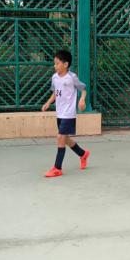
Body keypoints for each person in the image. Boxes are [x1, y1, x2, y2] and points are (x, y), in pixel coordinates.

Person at [41, 50, 90, 178]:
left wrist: (82, 99)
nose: (55, 66)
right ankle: (83, 154)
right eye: (54, 63)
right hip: (60, 113)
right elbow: (55, 93)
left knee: (60, 137)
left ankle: (57, 168)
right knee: (65, 138)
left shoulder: (72, 77)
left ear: (65, 64)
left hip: (69, 113)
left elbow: (83, 89)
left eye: (57, 63)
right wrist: (48, 103)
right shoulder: (54, 77)